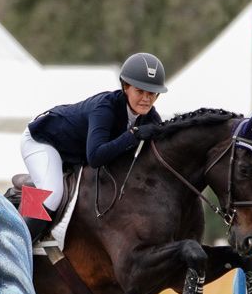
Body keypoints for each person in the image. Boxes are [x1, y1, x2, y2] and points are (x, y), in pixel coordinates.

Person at [20, 52, 168, 241]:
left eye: (152, 94)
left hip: (73, 150)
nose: (146, 99)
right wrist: (133, 135)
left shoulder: (150, 116)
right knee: (51, 194)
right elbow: (96, 157)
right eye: (140, 92)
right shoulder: (105, 108)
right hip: (43, 140)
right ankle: (17, 247)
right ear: (125, 87)